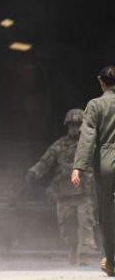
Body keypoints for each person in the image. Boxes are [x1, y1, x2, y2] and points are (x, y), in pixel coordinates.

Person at [26, 108, 98, 265]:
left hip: (84, 191)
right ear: (67, 126)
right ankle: (73, 249)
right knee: (67, 227)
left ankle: (85, 255)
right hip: (64, 192)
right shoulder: (58, 145)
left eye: (78, 124)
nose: (75, 127)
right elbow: (45, 161)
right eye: (71, 124)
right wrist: (34, 172)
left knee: (86, 223)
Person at [73, 66, 115, 276]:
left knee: (107, 213)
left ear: (101, 82)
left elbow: (87, 137)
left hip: (107, 162)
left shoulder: (95, 105)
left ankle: (112, 261)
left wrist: (79, 166)